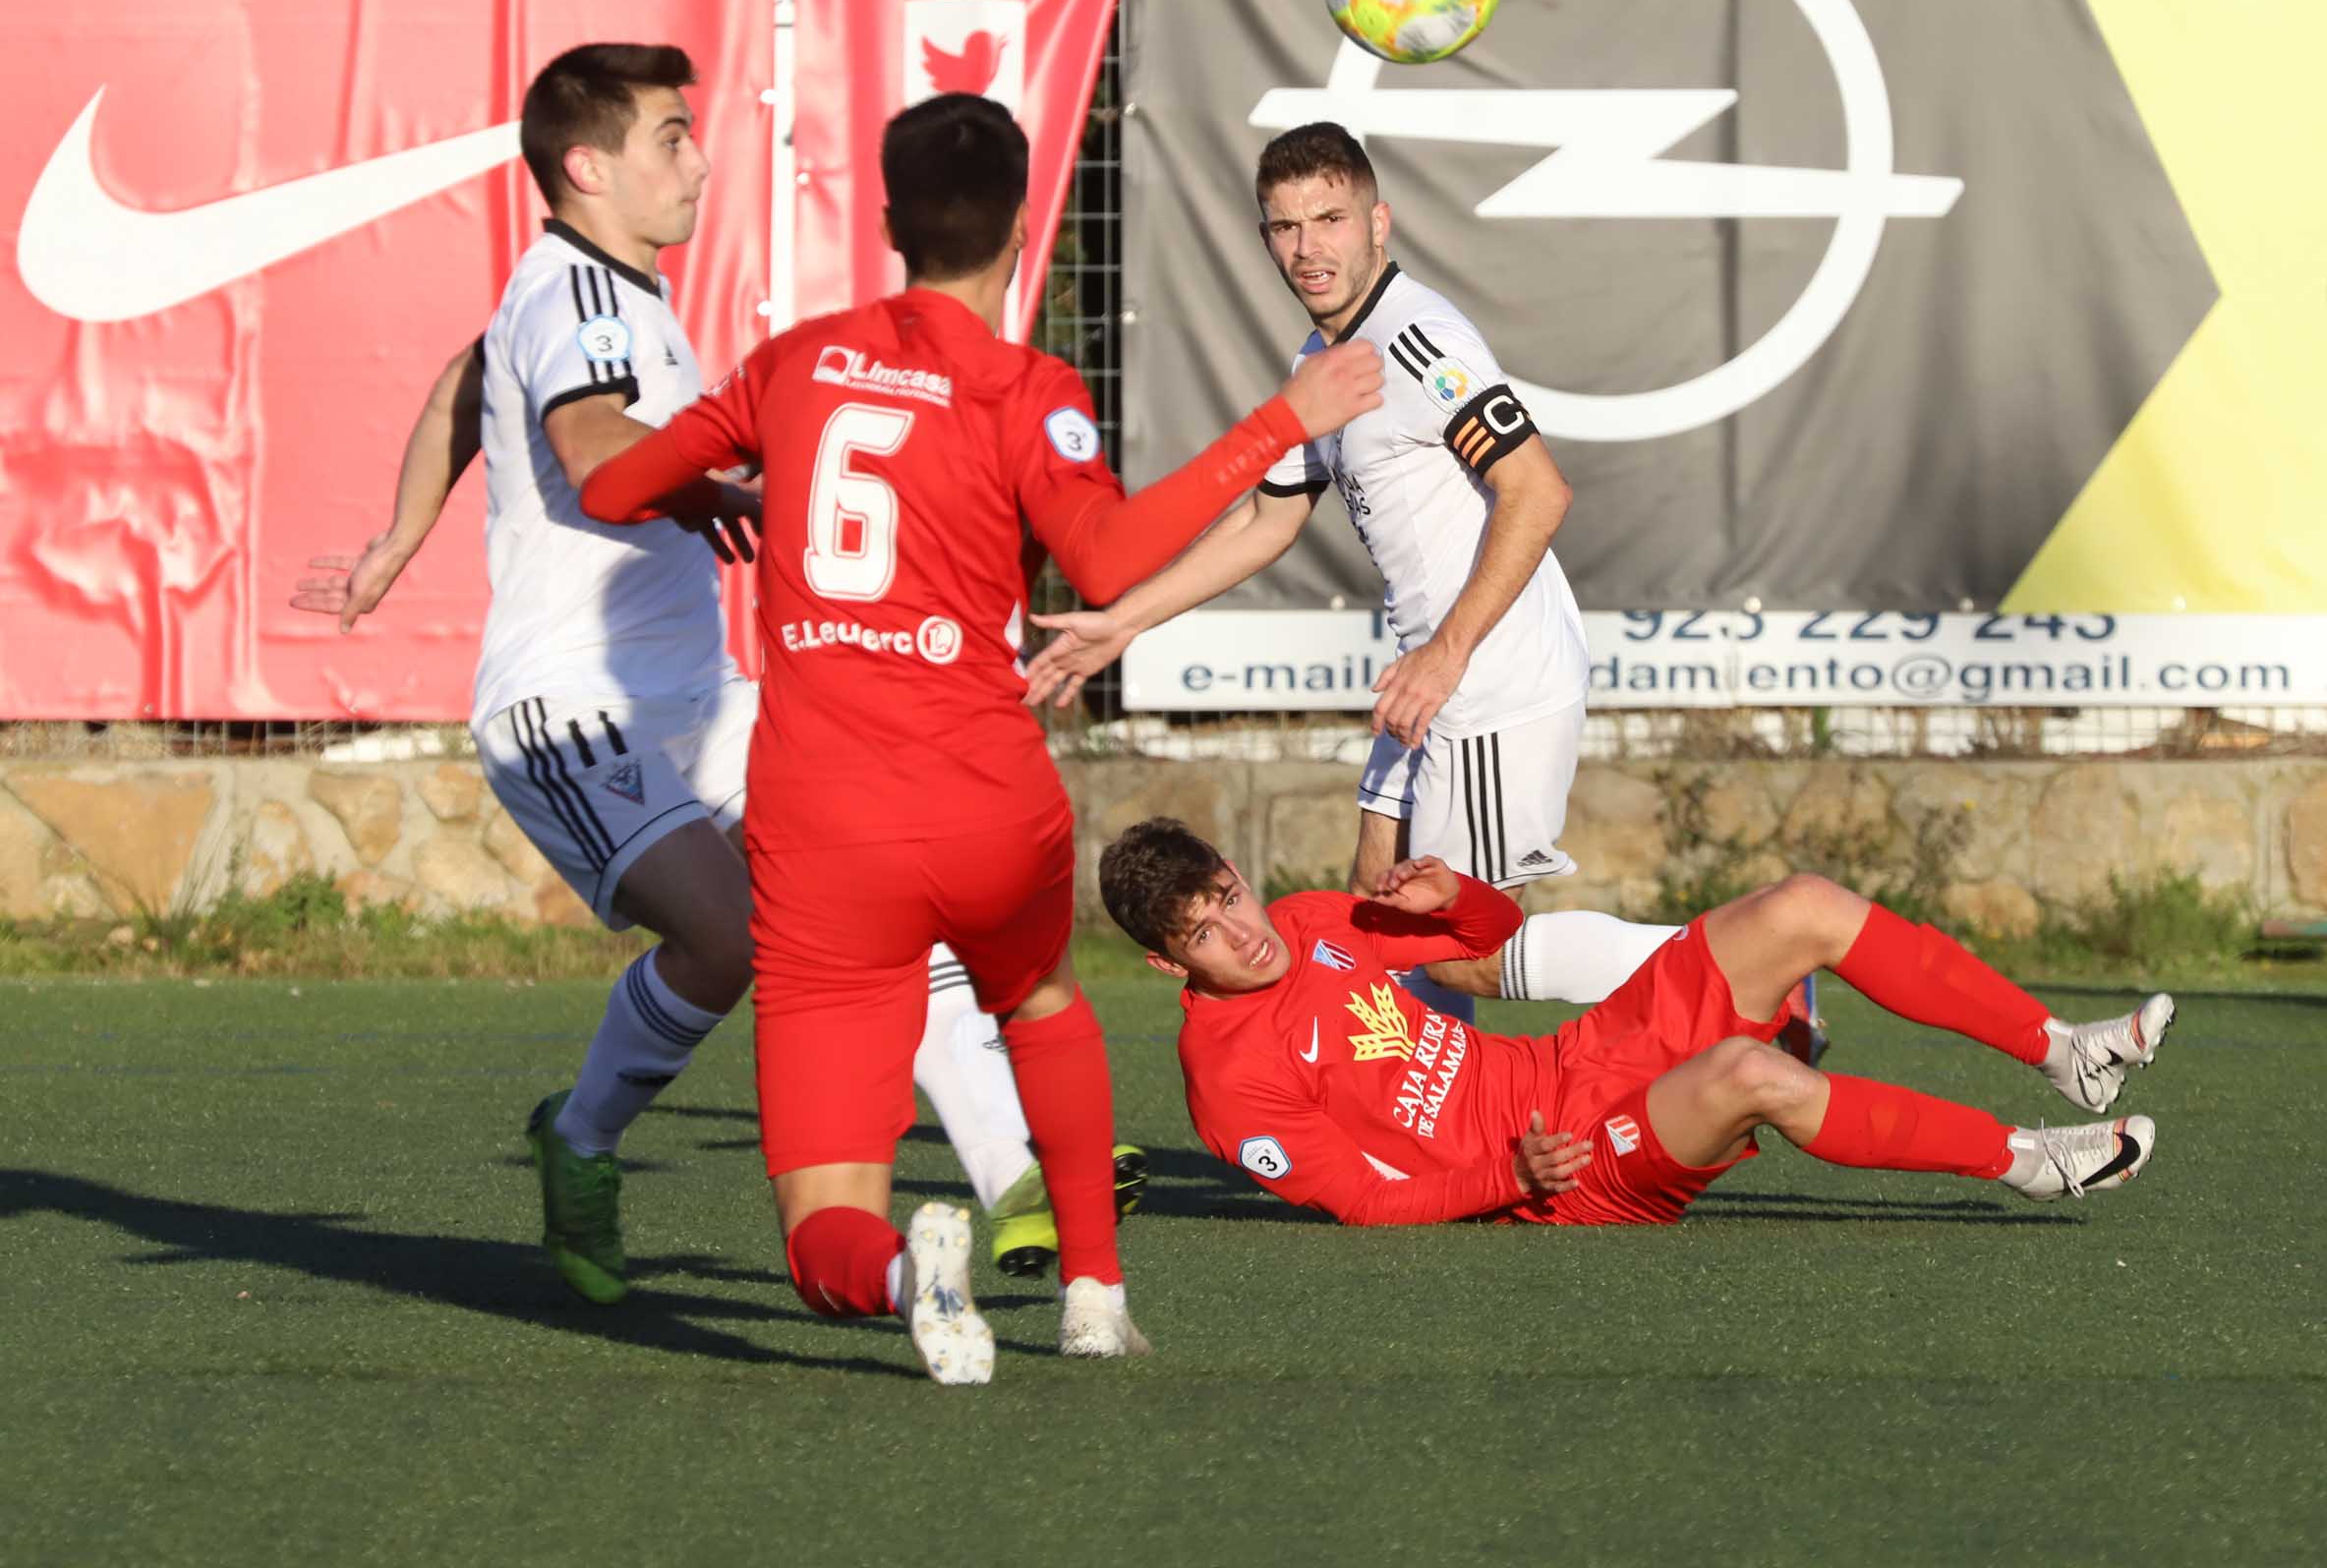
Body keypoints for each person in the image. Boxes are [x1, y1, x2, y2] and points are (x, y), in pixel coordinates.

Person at [575, 92, 1384, 1381]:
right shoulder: (1026, 385)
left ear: (890, 223)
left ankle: (907, 1277)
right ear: (1025, 232)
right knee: (1041, 1003)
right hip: (984, 804)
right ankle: (1094, 1295)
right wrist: (1284, 419)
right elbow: (1109, 552)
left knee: (822, 1227)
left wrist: (721, 484)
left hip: (824, 829)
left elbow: (610, 484)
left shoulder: (795, 363)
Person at [295, 44, 1090, 1305]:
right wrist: (715, 478)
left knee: (883, 870)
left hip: (704, 692)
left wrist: (398, 538)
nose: (700, 160)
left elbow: (466, 376)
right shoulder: (581, 301)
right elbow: (593, 439)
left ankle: (1014, 1179)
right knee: (729, 933)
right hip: (571, 704)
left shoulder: (580, 288)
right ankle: (579, 1137)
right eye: (672, 136)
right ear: (586, 164)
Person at [1026, 121, 1703, 1033]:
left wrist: (1447, 656)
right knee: (1375, 908)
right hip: (1428, 684)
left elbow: (1537, 490)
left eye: (1330, 218)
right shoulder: (1324, 363)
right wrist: (1123, 620)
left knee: (1461, 956)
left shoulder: (1418, 340)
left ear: (1379, 222)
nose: (1309, 248)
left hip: (1490, 680)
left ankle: (1739, 963)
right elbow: (1268, 519)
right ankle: (1422, 1130)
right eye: (1285, 226)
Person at [1100, 816, 2175, 1229]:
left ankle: (2065, 1052)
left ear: (1239, 875)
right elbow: (1361, 1201)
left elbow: (1498, 929)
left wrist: (1457, 899)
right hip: (1565, 1170)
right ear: (1166, 960)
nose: (1242, 933)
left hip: (1578, 1057)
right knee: (1755, 1069)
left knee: (1805, 902)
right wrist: (1511, 1178)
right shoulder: (1226, 1079)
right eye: (1203, 933)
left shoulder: (1308, 918)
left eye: (1228, 897)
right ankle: (2034, 1160)